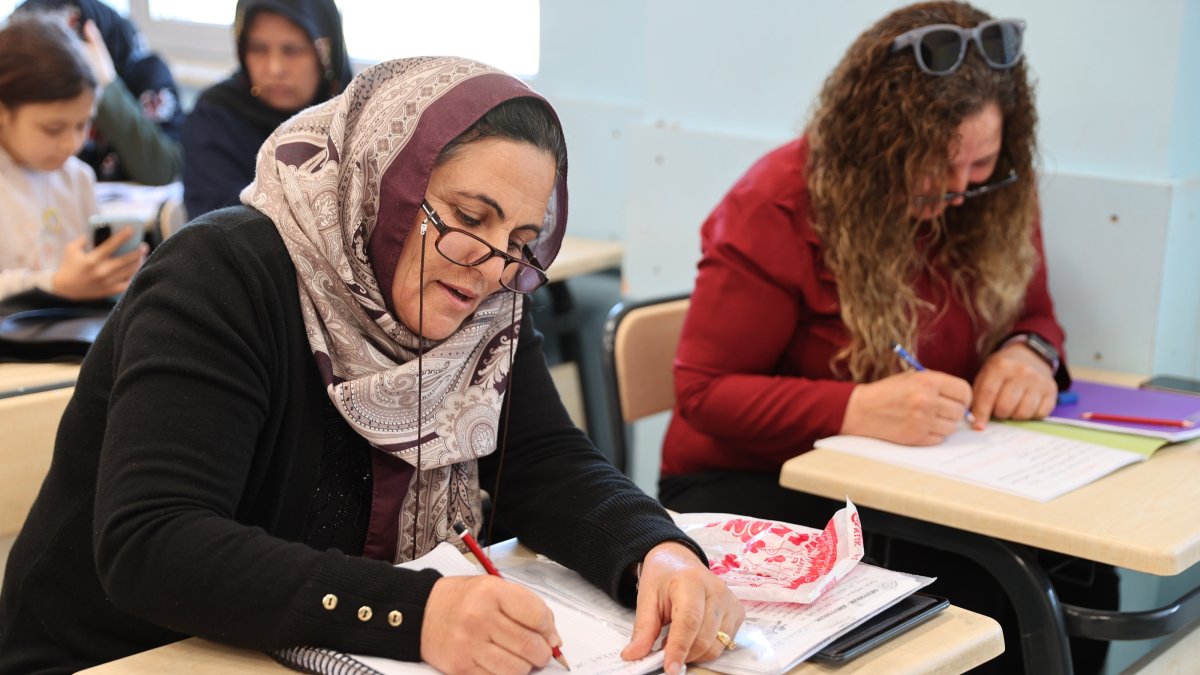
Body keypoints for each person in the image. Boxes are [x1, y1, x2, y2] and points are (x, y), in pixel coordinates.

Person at [0, 56, 744, 674]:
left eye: (520, 239)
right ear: (384, 181)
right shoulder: (221, 274)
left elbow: (546, 460)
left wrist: (658, 550)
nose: (489, 268)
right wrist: (415, 610)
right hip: (130, 653)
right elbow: (154, 543)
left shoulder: (485, 304)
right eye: (467, 217)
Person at [658, 3, 1113, 673]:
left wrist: (1030, 352)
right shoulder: (774, 204)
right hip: (759, 477)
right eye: (932, 167)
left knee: (1084, 571)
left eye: (981, 162)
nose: (959, 190)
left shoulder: (990, 193)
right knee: (982, 598)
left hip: (916, 478)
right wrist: (856, 408)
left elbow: (1036, 314)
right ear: (872, 146)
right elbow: (703, 392)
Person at [0, 10, 146, 304]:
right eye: (53, 129)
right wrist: (54, 284)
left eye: (83, 125)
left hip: (75, 338)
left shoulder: (77, 177)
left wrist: (113, 273)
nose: (71, 144)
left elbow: (89, 265)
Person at [181, 0, 351, 218]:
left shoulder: (355, 117)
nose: (275, 68)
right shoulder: (216, 116)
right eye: (258, 49)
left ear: (325, 54)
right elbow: (220, 226)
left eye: (292, 50)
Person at [16, 0, 186, 186]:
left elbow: (164, 168)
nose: (71, 144)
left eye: (82, 125)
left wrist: (105, 84)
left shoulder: (144, 72)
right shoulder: (15, 76)